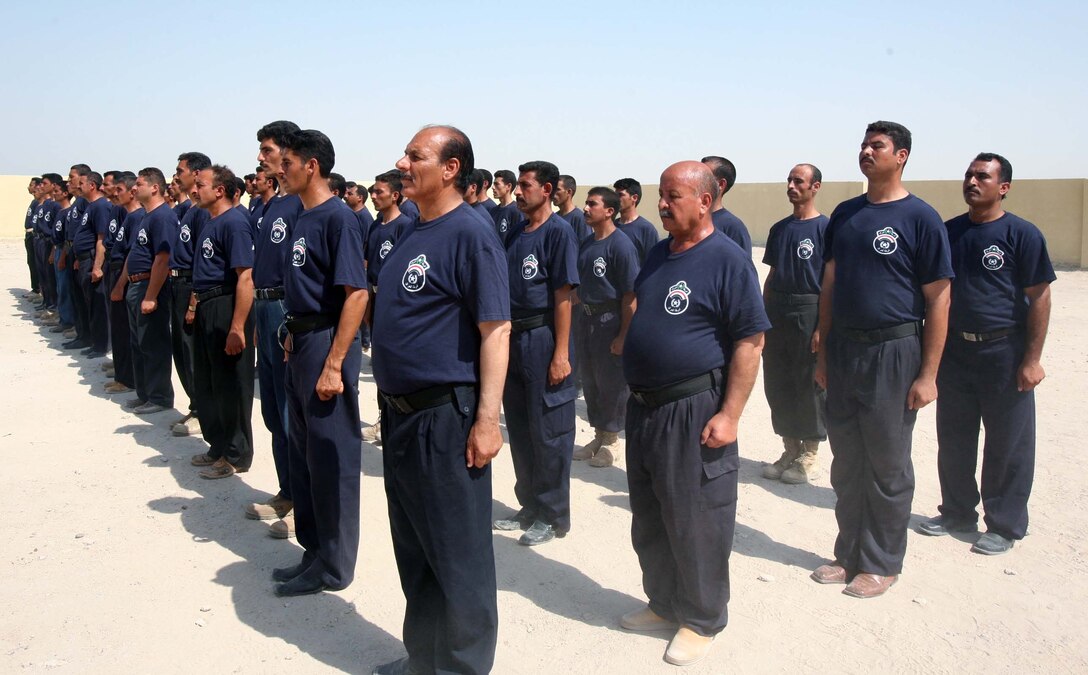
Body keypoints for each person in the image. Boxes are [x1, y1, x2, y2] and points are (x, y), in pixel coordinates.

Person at [371, 124, 509, 675]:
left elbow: (496, 330)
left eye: (415, 156)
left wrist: (487, 421)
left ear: (450, 169)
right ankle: (422, 661)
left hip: (445, 417)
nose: (402, 164)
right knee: (417, 551)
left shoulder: (471, 233)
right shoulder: (411, 231)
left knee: (458, 556)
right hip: (401, 417)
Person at [619, 161, 768, 667]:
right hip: (644, 408)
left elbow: (750, 341)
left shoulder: (727, 259)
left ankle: (702, 619)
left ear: (705, 201)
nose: (662, 203)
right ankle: (664, 603)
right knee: (651, 516)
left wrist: (730, 414)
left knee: (696, 520)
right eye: (661, 195)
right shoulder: (659, 252)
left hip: (693, 408)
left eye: (674, 196)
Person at [812, 120, 953, 599]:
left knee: (887, 462)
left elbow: (938, 298)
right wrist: (823, 348)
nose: (867, 152)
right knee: (847, 460)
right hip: (844, 350)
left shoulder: (921, 218)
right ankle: (847, 552)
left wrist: (928, 373)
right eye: (864, 144)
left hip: (894, 350)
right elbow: (829, 284)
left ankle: (881, 561)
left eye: (878, 146)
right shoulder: (846, 215)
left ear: (903, 155)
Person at [918, 153, 1056, 556]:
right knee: (955, 437)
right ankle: (957, 512)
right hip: (956, 351)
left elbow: (1040, 296)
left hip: (1004, 351)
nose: (972, 182)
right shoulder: (949, 233)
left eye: (983, 176)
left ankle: (1005, 524)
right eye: (969, 175)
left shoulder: (1022, 235)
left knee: (1007, 443)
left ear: (1004, 187)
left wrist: (1031, 359)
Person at [270, 129, 367, 597]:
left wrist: (335, 363)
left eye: (286, 161)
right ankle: (312, 552)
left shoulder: (338, 219)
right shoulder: (302, 216)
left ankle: (334, 564)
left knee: (332, 457)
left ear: (311, 165)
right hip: (302, 340)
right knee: (303, 452)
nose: (278, 169)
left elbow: (356, 294)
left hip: (328, 343)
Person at [493, 160, 579, 546]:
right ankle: (528, 504)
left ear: (547, 190)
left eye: (526, 185)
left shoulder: (559, 233)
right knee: (522, 429)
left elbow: (564, 296)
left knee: (549, 431)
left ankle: (553, 514)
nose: (518, 191)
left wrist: (561, 352)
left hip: (544, 337)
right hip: (514, 339)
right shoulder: (515, 233)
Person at [245, 120, 303, 539]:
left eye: (266, 150)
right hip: (263, 308)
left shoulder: (304, 204)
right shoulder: (269, 206)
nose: (260, 157)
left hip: (286, 307)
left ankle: (306, 502)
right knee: (272, 412)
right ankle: (287, 490)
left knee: (293, 412)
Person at [760, 164, 829, 484]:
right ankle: (789, 447)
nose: (791, 186)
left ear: (815, 187)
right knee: (778, 381)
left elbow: (831, 283)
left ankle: (809, 454)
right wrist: (761, 317)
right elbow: (771, 276)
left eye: (798, 181)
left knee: (807, 383)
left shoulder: (827, 229)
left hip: (810, 308)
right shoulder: (780, 229)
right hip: (778, 311)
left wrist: (821, 328)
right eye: (789, 180)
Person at [185, 165, 256, 476]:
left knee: (231, 384)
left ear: (220, 190)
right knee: (209, 381)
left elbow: (246, 277)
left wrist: (238, 327)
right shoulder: (210, 221)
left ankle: (236, 455)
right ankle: (217, 444)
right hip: (206, 305)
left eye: (200, 184)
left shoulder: (235, 223)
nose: (194, 189)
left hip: (226, 305)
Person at [572, 187, 638, 468]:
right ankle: (598, 435)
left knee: (611, 382)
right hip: (586, 320)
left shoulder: (620, 245)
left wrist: (623, 335)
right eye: (586, 204)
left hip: (609, 320)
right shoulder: (588, 244)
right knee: (590, 380)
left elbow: (630, 296)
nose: (586, 208)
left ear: (609, 211)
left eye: (592, 204)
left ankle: (611, 441)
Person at [361, 170, 412, 444]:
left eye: (379, 192)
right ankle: (383, 419)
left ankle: (396, 422)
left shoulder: (406, 225)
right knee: (380, 363)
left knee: (397, 364)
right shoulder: (375, 226)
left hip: (396, 302)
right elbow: (368, 267)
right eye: (372, 192)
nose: (374, 197)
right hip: (376, 298)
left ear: (395, 195)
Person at [122, 167, 176, 414]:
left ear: (155, 187)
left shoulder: (162, 216)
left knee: (153, 343)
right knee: (139, 342)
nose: (134, 188)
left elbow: (163, 258)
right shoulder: (146, 215)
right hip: (136, 285)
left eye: (140, 183)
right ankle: (145, 394)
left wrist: (151, 296)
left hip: (148, 285)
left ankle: (159, 397)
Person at [171, 152, 212, 436]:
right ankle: (194, 405)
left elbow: (202, 258)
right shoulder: (188, 210)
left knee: (192, 350)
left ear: (196, 173)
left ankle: (202, 410)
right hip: (178, 284)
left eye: (180, 170)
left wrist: (194, 300)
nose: (176, 176)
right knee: (181, 352)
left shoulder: (201, 212)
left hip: (191, 285)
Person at [103, 172, 140, 395]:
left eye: (119, 190)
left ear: (132, 191)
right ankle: (122, 371)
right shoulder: (126, 216)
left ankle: (127, 378)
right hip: (115, 270)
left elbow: (132, 255)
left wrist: (119, 284)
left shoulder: (137, 218)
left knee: (125, 330)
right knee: (118, 328)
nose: (114, 194)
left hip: (124, 276)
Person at [701, 155, 752, 255]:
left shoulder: (733, 228)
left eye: (703, 176)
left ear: (721, 184)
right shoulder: (684, 220)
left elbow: (741, 267)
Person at [613, 177, 659, 263]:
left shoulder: (646, 229)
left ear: (634, 198)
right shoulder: (611, 226)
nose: (615, 199)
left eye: (620, 195)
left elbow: (653, 262)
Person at [553, 174, 591, 241]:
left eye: (557, 190)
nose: (553, 193)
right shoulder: (554, 217)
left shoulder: (580, 218)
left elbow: (585, 246)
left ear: (569, 192)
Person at [491, 168, 520, 241]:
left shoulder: (516, 211)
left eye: (497, 184)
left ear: (508, 186)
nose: (493, 188)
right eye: (493, 184)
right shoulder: (493, 211)